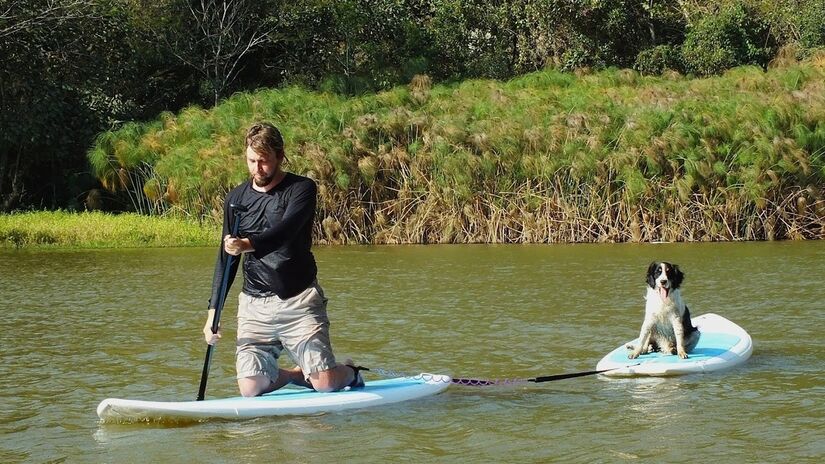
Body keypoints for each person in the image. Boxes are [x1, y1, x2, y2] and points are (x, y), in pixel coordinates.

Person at [202, 122, 363, 397]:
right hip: (254, 305)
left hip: (299, 300)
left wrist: (246, 244)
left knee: (325, 385)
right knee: (251, 388)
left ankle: (349, 372)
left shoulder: (302, 189)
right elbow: (225, 262)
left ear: (280, 155)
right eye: (251, 161)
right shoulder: (235, 199)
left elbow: (286, 233)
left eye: (264, 161)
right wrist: (212, 314)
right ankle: (297, 376)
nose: (257, 169)